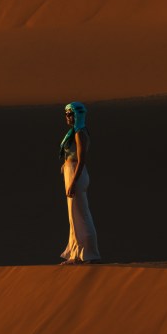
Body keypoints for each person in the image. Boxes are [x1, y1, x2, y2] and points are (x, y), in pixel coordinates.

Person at [59, 101, 101, 264]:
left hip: (77, 173)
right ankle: (76, 253)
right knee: (74, 215)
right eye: (66, 114)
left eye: (70, 114)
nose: (67, 117)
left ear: (77, 115)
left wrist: (73, 181)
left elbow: (82, 159)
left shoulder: (79, 133)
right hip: (72, 172)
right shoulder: (75, 132)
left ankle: (89, 254)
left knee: (81, 214)